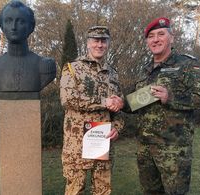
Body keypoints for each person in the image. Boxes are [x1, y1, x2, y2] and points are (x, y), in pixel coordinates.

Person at [120, 17, 200, 195]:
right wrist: (121, 102)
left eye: (161, 34)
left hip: (173, 150)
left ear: (172, 37)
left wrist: (171, 97)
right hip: (145, 148)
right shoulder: (145, 70)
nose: (155, 39)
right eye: (151, 36)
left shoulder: (186, 64)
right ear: (147, 41)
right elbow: (135, 103)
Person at [60, 26, 124, 195]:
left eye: (103, 41)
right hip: (77, 145)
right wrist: (104, 101)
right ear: (88, 43)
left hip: (102, 142)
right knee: (75, 190)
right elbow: (68, 99)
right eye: (95, 40)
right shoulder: (73, 69)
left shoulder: (113, 74)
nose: (99, 45)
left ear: (108, 44)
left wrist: (117, 127)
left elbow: (118, 108)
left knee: (103, 191)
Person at [0, 0, 56, 99]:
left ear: (31, 27)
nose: (13, 27)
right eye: (8, 21)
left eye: (21, 21)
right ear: (2, 26)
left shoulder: (44, 66)